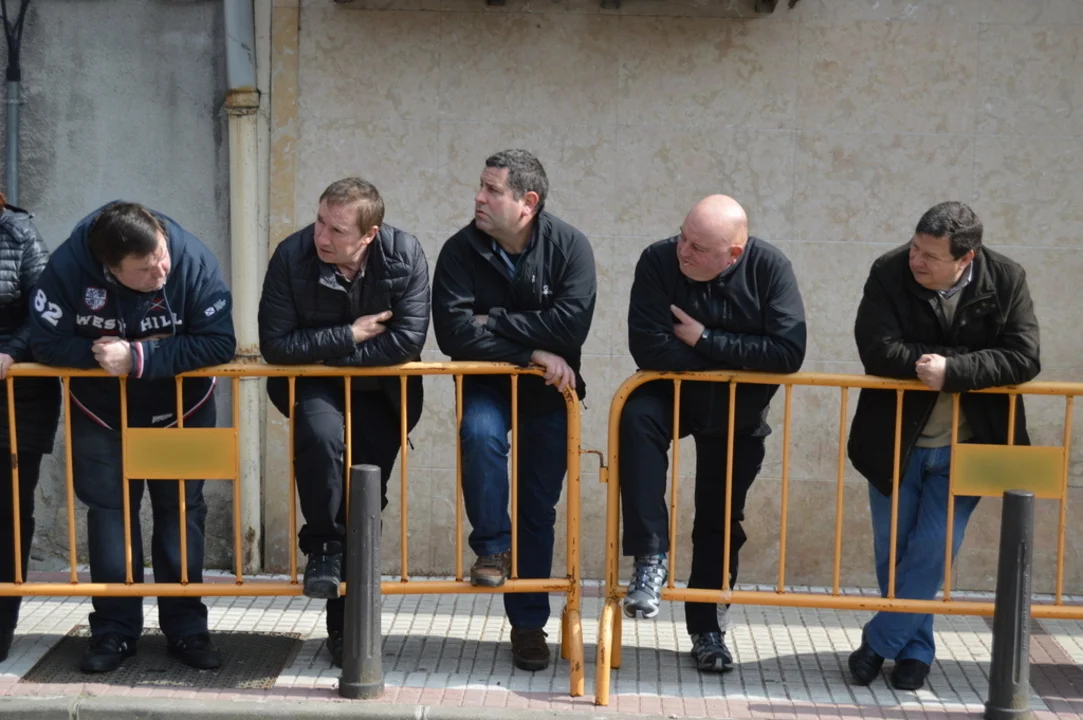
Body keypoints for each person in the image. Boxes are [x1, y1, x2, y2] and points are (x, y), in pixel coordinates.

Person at [29, 202, 236, 673]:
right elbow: (44, 341)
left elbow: (220, 341)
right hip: (100, 413)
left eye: (161, 257)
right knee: (109, 517)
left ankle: (187, 629)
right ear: (110, 268)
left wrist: (138, 358)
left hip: (182, 409)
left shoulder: (191, 258)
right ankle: (114, 631)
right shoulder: (68, 268)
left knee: (181, 513)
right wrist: (97, 354)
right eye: (144, 269)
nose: (160, 271)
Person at [847, 201, 1040, 691]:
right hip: (894, 440)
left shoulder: (1006, 278)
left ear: (966, 258)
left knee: (934, 547)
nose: (916, 260)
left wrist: (954, 371)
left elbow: (1024, 356)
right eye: (915, 247)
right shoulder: (889, 271)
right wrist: (949, 364)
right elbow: (876, 348)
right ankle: (915, 651)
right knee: (894, 551)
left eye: (931, 255)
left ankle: (879, 642)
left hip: (970, 446)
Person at [619, 195, 806, 673]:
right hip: (671, 395)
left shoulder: (769, 268)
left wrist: (704, 338)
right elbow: (649, 347)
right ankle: (649, 557)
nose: (683, 250)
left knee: (718, 518)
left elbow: (787, 353)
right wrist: (738, 359)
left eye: (698, 247)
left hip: (738, 410)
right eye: (683, 236)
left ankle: (707, 629)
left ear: (733, 253)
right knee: (636, 418)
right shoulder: (659, 260)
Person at [432, 149, 596, 672]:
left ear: (528, 201)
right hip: (489, 383)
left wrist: (494, 320)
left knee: (537, 508)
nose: (478, 197)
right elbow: (453, 333)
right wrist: (531, 351)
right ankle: (491, 548)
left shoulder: (569, 247)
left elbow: (569, 327)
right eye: (480, 187)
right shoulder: (459, 250)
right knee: (479, 436)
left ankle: (528, 626)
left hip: (550, 391)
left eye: (492, 190)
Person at [259, 177, 429, 667]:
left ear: (369, 234)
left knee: (364, 501)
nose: (322, 236)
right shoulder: (291, 255)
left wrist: (326, 352)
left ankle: (349, 628)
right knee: (319, 442)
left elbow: (406, 342)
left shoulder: (405, 254)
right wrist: (350, 335)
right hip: (316, 388)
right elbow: (275, 346)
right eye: (319, 221)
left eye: (336, 229)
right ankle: (323, 549)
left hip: (382, 394)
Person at [0, 195, 61, 662]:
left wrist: (12, 352)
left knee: (7, 513)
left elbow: (48, 311)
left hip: (15, 398)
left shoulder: (18, 235)